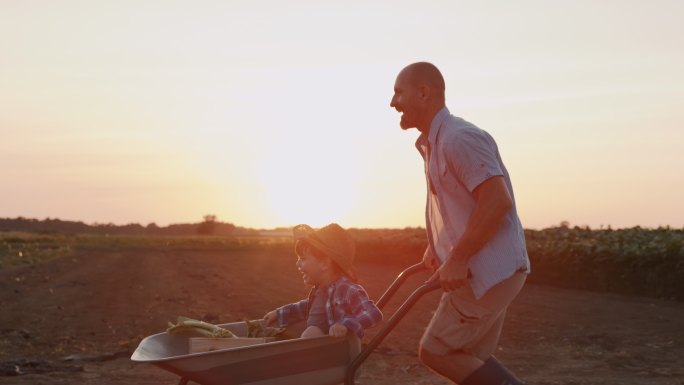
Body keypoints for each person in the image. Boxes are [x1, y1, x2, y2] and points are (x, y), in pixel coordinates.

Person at [389, 62, 531, 385]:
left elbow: (496, 201)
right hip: (492, 272)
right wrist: (438, 245)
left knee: (435, 350)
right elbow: (462, 205)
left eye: (399, 92)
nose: (393, 102)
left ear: (424, 93)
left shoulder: (457, 138)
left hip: (487, 272)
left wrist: (457, 258)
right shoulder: (436, 143)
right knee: (470, 358)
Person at [263, 223, 383, 339]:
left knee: (311, 333)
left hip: (338, 352)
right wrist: (279, 313)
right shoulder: (321, 290)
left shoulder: (346, 289)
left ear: (325, 264)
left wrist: (346, 324)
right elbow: (307, 308)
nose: (298, 263)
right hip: (322, 352)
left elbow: (372, 313)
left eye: (303, 259)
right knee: (308, 333)